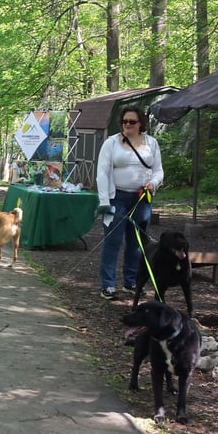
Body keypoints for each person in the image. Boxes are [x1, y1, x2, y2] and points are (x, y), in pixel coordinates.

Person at [95, 106, 164, 300]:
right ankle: (108, 285)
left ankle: (131, 281)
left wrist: (154, 182)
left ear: (140, 123)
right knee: (113, 241)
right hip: (116, 197)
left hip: (142, 198)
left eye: (132, 122)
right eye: (124, 121)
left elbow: (158, 170)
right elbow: (102, 173)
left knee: (136, 242)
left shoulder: (151, 143)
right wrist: (104, 201)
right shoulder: (111, 143)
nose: (127, 125)